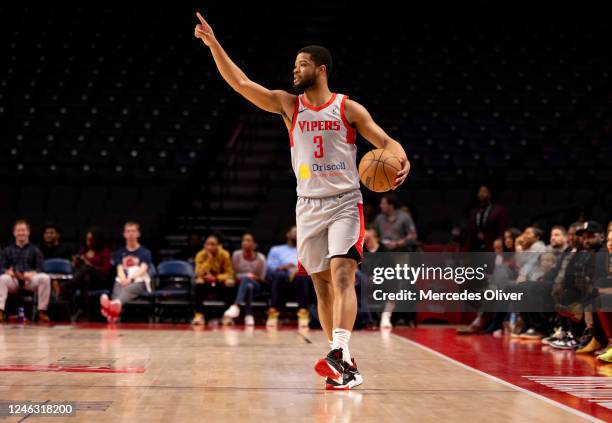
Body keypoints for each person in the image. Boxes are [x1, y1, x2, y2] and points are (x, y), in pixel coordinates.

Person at [194, 12, 409, 390]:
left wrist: (401, 159)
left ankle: (339, 354)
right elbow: (241, 83)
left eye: (302, 65)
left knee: (344, 274)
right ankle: (345, 363)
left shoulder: (347, 108)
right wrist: (214, 45)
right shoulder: (289, 106)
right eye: (294, 65)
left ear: (321, 69)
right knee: (323, 287)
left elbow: (386, 142)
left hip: (344, 201)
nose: (295, 70)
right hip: (307, 205)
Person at [100, 222, 152, 323]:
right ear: (124, 234)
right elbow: (119, 269)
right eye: (128, 231)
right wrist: (123, 279)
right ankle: (113, 312)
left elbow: (143, 269)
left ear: (138, 234)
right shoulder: (119, 252)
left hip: (138, 280)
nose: (131, 234)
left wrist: (130, 279)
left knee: (129, 287)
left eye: (133, 231)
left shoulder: (145, 252)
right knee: (118, 282)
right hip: (124, 279)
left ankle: (113, 306)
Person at [0, 220, 51, 323]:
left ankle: (42, 312)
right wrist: (7, 272)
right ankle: (0, 310)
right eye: (18, 230)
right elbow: (1, 267)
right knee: (2, 278)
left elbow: (41, 268)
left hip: (29, 280)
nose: (21, 233)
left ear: (28, 232)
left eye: (23, 230)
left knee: (45, 278)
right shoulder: (7, 250)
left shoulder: (35, 249)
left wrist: (32, 273)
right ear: (14, 233)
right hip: (13, 279)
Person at [265, 226, 312, 328]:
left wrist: (298, 269)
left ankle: (303, 313)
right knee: (279, 275)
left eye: (298, 232)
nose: (296, 234)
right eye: (294, 231)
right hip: (281, 278)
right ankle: (273, 312)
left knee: (302, 275)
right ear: (288, 234)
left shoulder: (305, 249)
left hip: (299, 279)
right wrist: (283, 267)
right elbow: (269, 268)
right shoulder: (276, 249)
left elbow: (312, 266)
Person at [64, 227, 112, 320]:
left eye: (90, 239)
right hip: (85, 281)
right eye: (87, 239)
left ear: (96, 240)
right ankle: (84, 311)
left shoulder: (104, 251)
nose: (88, 241)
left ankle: (67, 286)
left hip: (100, 279)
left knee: (87, 268)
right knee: (85, 278)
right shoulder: (84, 250)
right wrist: (75, 263)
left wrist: (90, 266)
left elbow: (106, 270)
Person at [223, 233, 266, 326]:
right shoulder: (236, 255)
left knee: (249, 283)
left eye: (248, 240)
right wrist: (244, 277)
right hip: (239, 285)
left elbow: (262, 279)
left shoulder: (261, 258)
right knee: (248, 286)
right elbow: (233, 273)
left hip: (257, 286)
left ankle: (236, 306)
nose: (245, 242)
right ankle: (249, 315)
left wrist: (254, 277)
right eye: (243, 240)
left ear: (254, 244)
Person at [192, 234, 234, 325]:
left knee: (230, 283)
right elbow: (198, 273)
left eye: (212, 244)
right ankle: (199, 315)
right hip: (205, 282)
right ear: (204, 245)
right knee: (198, 282)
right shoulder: (200, 255)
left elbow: (229, 273)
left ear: (218, 246)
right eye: (207, 244)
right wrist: (209, 260)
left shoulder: (224, 254)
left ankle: (227, 316)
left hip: (220, 282)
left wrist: (216, 278)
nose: (210, 247)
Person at [465, 185, 508, 252]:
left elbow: (502, 230)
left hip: (491, 248)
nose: (481, 194)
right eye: (480, 191)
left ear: (490, 194)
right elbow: (469, 233)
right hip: (475, 248)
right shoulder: (473, 212)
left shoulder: (498, 210)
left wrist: (500, 247)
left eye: (484, 191)